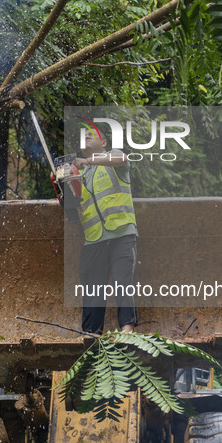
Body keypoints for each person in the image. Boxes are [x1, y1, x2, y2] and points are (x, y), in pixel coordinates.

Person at [72, 125, 138, 335]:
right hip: (94, 240)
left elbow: (123, 159)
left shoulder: (113, 157)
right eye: (83, 137)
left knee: (122, 281)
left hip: (121, 234)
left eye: (92, 135)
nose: (87, 138)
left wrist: (89, 161)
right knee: (91, 288)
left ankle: (127, 329)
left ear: (104, 143)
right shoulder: (79, 176)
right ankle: (91, 335)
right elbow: (73, 213)